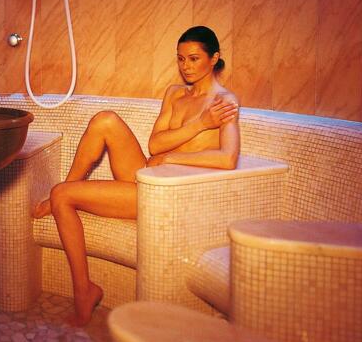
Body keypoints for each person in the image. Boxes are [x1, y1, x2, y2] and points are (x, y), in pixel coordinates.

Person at [32, 25, 240, 326]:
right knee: (105, 120)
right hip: (147, 174)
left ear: (215, 58)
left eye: (194, 59)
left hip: (165, 195)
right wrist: (198, 125)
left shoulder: (224, 102)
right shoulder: (175, 94)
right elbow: (154, 144)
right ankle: (68, 186)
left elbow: (227, 158)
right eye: (181, 59)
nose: (186, 66)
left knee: (61, 195)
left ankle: (84, 292)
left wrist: (171, 156)